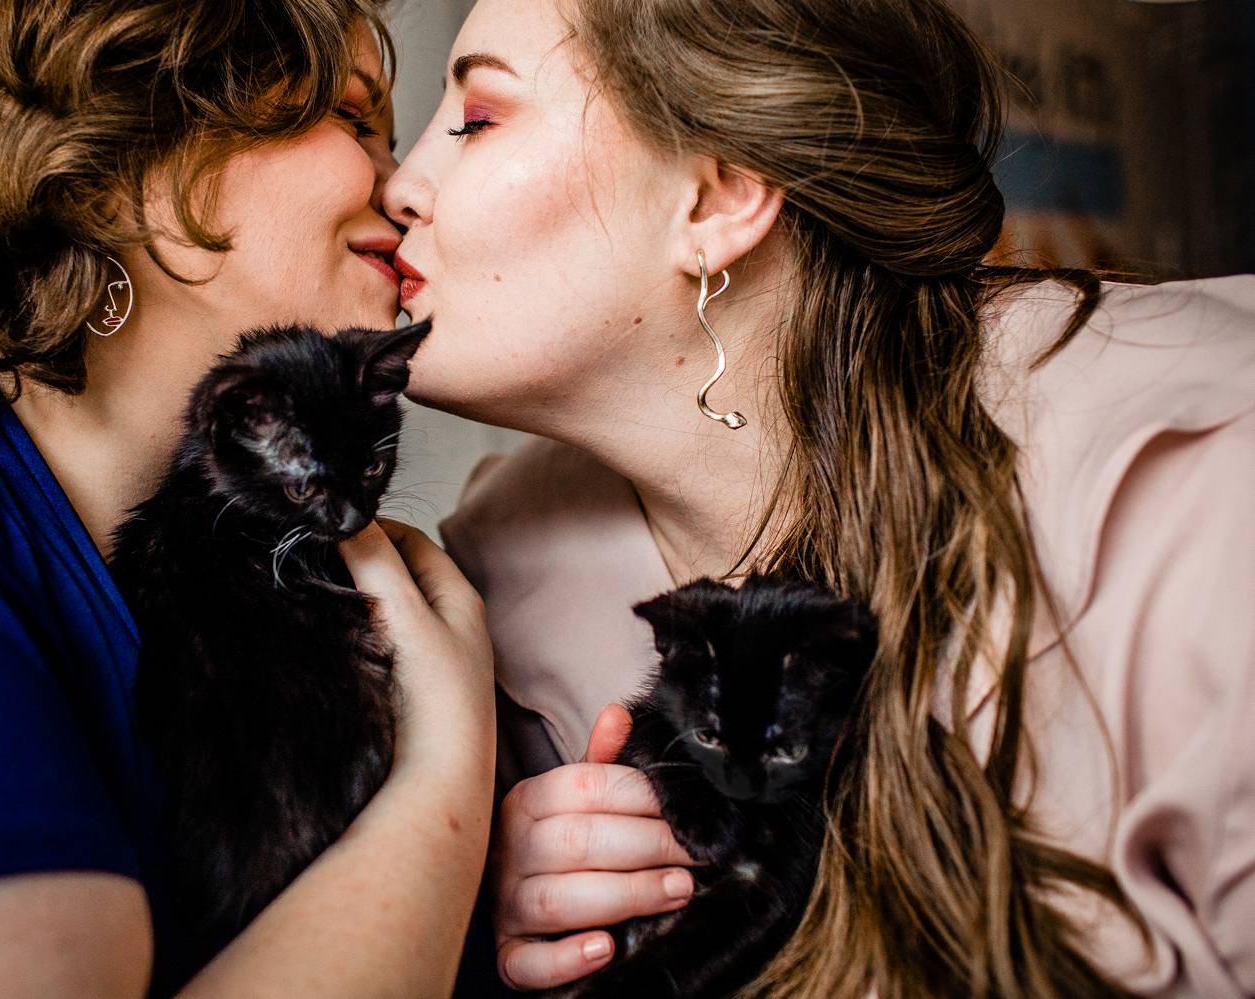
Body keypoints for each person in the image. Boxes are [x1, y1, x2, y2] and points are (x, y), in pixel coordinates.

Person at [381, 0, 1255, 995]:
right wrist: (490, 922)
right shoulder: (495, 590)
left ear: (716, 202)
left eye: (480, 117)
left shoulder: (1207, 488)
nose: (400, 187)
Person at [0, 2, 495, 997]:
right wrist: (445, 788)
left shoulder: (282, 581)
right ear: (126, 160)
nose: (406, 189)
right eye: (355, 120)